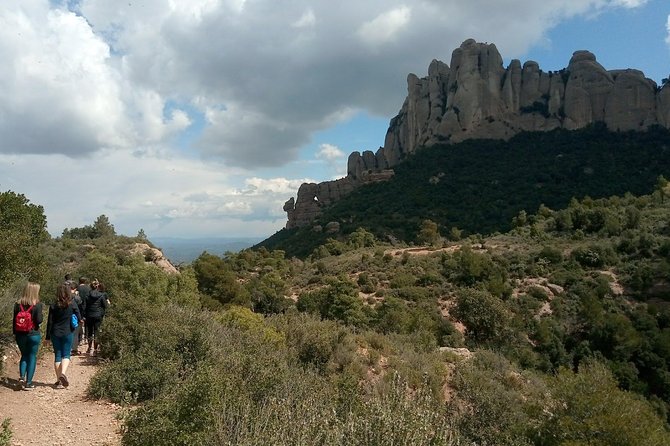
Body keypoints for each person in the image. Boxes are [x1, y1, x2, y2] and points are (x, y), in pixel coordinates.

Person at [46, 284, 81, 389]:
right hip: (67, 331)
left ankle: (58, 380)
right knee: (66, 354)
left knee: (57, 355)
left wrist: (47, 337)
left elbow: (50, 322)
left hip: (55, 333)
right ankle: (63, 374)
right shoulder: (72, 303)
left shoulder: (53, 305)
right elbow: (79, 317)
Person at [12, 282, 43, 391]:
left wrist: (15, 333)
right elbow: (39, 320)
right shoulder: (37, 305)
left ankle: (21, 377)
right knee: (32, 356)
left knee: (24, 355)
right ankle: (28, 383)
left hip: (20, 334)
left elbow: (14, 320)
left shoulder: (17, 304)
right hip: (33, 334)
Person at [85, 280, 108, 356]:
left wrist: (84, 315)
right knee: (97, 332)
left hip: (89, 315)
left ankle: (89, 348)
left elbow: (84, 306)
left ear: (90, 287)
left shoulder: (87, 296)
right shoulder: (101, 295)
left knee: (90, 332)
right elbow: (105, 306)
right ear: (97, 286)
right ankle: (95, 350)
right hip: (98, 315)